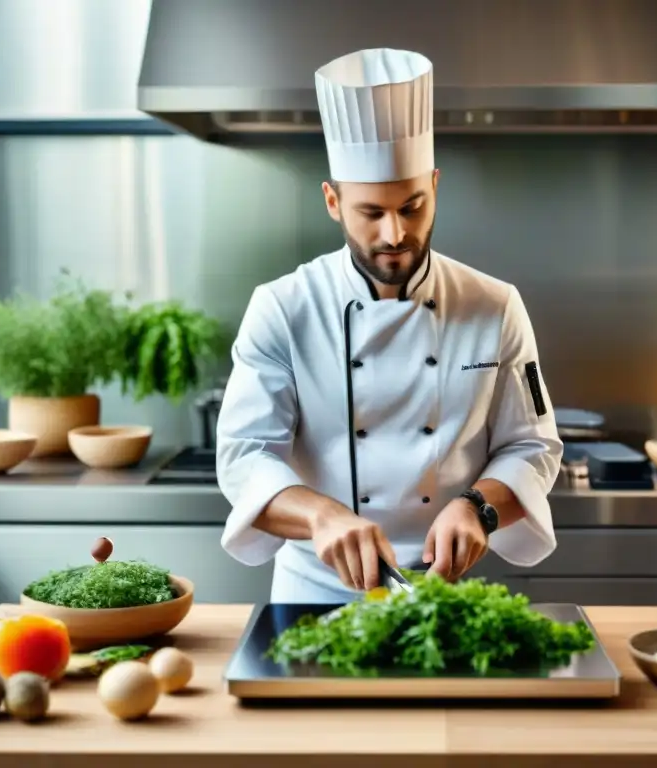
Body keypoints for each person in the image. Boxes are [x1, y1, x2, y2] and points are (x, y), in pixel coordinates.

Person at [216, 47, 563, 604]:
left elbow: (534, 446)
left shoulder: (495, 304)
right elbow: (244, 456)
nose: (395, 233)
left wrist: (477, 506)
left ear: (435, 185)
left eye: (413, 205)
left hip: (449, 597)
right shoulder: (282, 308)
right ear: (333, 201)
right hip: (314, 593)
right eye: (371, 213)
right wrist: (322, 515)